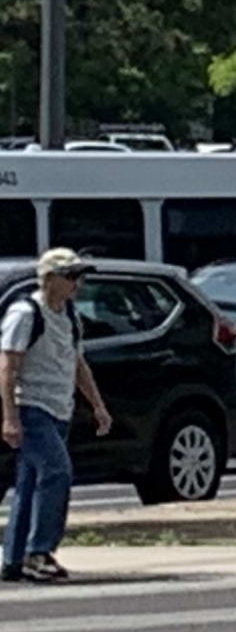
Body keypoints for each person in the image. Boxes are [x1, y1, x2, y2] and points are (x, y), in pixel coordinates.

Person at [2, 249, 113, 584]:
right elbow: (7, 366)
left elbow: (77, 364)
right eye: (70, 276)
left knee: (31, 482)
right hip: (32, 407)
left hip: (59, 407)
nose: (76, 284)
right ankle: (40, 552)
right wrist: (9, 416)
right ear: (49, 279)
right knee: (57, 472)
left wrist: (97, 405)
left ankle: (14, 557)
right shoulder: (25, 314)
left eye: (79, 276)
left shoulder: (69, 317)